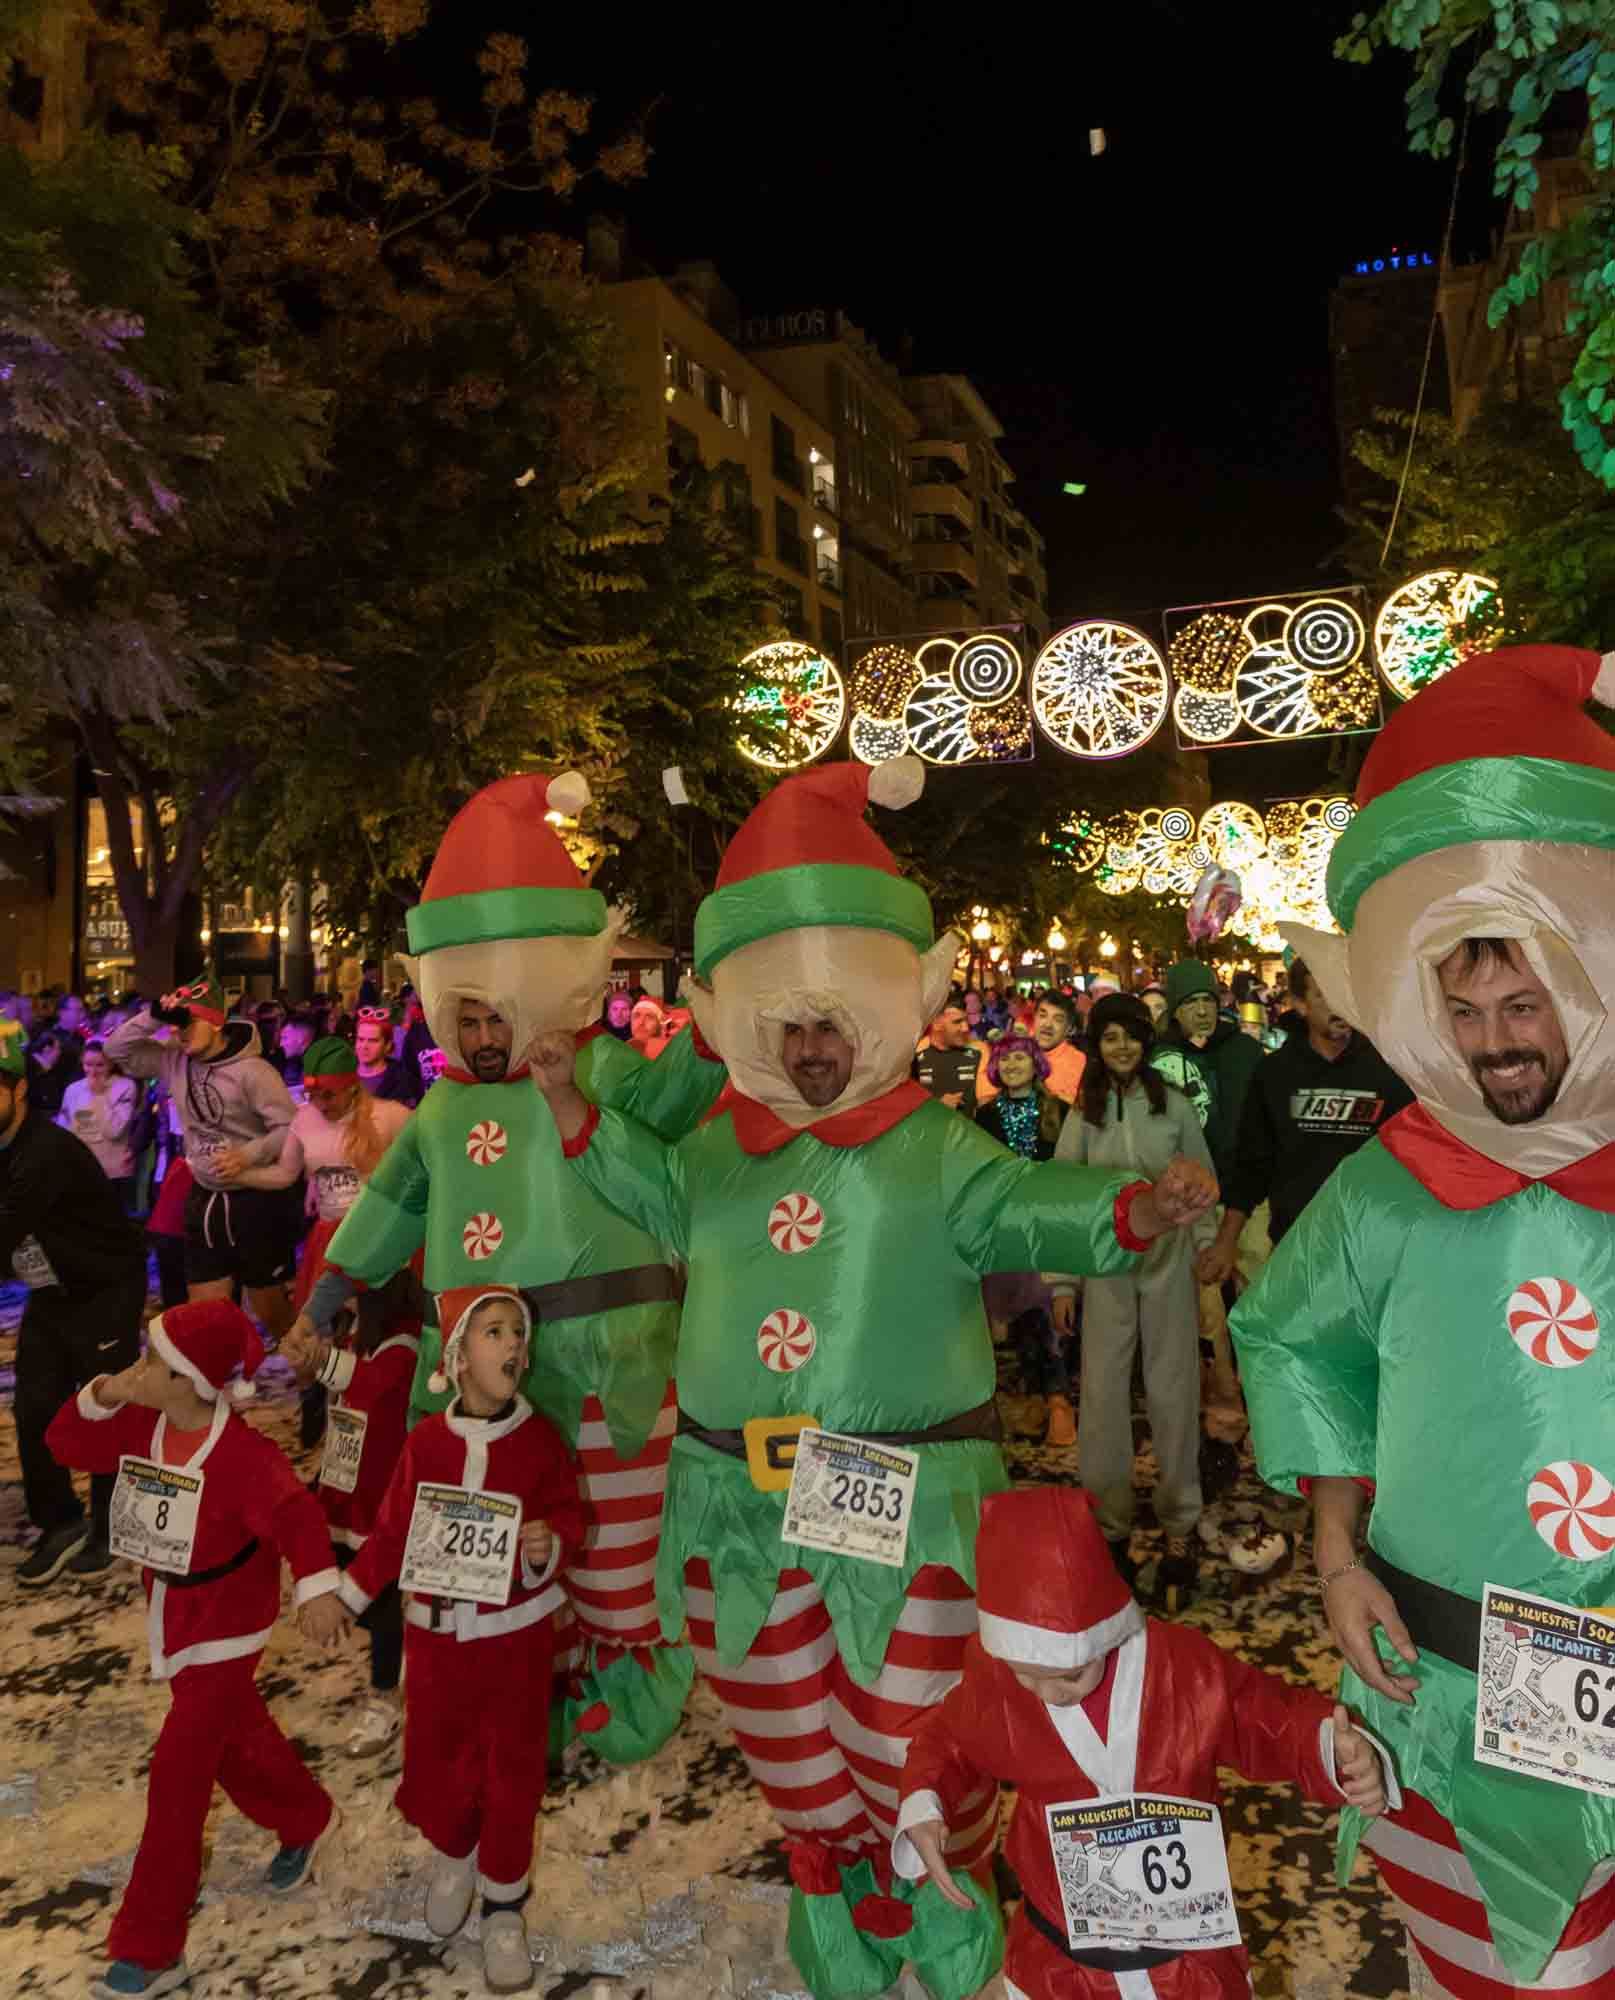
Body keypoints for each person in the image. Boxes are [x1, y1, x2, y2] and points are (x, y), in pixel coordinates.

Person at [530, 757, 1218, 2000]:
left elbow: (1028, 1209)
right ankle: (834, 1893)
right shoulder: (711, 1152)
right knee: (786, 1732)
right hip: (734, 1508)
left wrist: (1134, 1203)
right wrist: (567, 1100)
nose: (807, 1049)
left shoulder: (932, 1143)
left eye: (829, 1024)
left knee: (912, 1732)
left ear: (881, 1012)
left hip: (905, 1506)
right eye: (785, 1026)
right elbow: (638, 1177)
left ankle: (937, 1897)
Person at [1233, 643, 1615, 1998]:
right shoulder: (1378, 1192)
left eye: (1520, 1005)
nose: (1493, 1041)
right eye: (1459, 1013)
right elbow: (1286, 1340)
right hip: (1438, 1686)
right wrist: (1333, 1556)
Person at [296, 771, 725, 1765]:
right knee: (497, 1531)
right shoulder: (440, 1108)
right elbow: (395, 1201)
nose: (487, 1037)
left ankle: (631, 1684)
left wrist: (718, 1014)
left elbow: (675, 1094)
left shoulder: (598, 1066)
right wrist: (330, 1291)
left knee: (613, 1544)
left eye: (501, 1015)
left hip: (609, 1357)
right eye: (470, 1017)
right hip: (476, 1371)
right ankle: (529, 1676)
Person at [892, 1486, 1392, 2000]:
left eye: (1069, 1674)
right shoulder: (999, 1683)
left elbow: (1267, 1719)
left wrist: (1333, 1748)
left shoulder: (1184, 1670)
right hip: (1059, 1955)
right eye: (1027, 1675)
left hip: (1187, 1952)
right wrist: (925, 1802)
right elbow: (949, 1738)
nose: (1049, 1695)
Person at [44, 1298, 345, 1999]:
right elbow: (65, 1444)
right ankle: (306, 1815)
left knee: (179, 1773)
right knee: (234, 1739)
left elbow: (296, 1515)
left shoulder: (244, 1456)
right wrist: (104, 1392)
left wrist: (318, 1586)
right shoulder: (142, 1425)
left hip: (229, 1624)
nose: (137, 1368)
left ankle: (151, 1945)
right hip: (172, 1612)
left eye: (152, 1362)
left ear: (189, 1381)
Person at [333, 1285, 585, 1995]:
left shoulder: (538, 1441)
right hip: (438, 1645)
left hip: (513, 1643)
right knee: (438, 1757)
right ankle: (454, 1854)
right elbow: (391, 1533)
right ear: (457, 1356)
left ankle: (504, 1904)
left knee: (511, 1773)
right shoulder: (426, 1442)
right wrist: (347, 1595)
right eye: (494, 1332)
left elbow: (568, 1517)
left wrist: (547, 1542)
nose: (512, 1346)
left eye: (517, 1334)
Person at [1052, 993, 1217, 1608]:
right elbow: (1063, 1200)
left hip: (1168, 1260)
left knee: (1175, 1390)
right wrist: (1063, 1283)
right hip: (1104, 1263)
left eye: (1131, 1037)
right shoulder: (1084, 1112)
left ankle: (1179, 1528)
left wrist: (1206, 1248)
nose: (1120, 1048)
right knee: (1101, 1395)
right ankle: (1110, 1530)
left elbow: (1202, 1180)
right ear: (1096, 1045)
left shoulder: (1171, 1106)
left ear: (1147, 1041)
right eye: (1109, 1037)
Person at [1, 1020, 148, 1585]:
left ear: (17, 1090)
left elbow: (4, 1232)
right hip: (52, 1290)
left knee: (101, 1404)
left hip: (105, 1288)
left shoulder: (45, 1153)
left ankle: (111, 1527)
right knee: (35, 1407)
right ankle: (59, 1521)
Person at [105, 976, 300, 1344]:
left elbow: (291, 1127)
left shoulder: (254, 1071)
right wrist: (154, 1016)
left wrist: (248, 1154)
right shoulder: (173, 1061)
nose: (180, 1034)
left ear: (215, 1021)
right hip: (204, 1197)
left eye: (187, 1024)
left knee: (271, 1310)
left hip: (254, 1200)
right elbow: (116, 1050)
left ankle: (314, 1377)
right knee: (205, 1314)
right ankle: (214, 1393)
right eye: (175, 1026)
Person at [1196, 956, 1413, 1287]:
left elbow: (1413, 1159)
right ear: (1299, 1004)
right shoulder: (1275, 1074)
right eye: (1324, 994)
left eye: (1344, 992)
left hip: (1372, 1246)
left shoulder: (1388, 1071)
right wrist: (1226, 1241)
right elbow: (1253, 1165)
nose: (1338, 1004)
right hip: (1296, 1245)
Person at [975, 1033, 1077, 1447]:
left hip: (1048, 1220)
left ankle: (1057, 1399)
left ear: (1036, 1062)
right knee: (1017, 1310)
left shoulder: (1059, 1110)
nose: (1013, 1064)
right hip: (1004, 1223)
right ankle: (1028, 1398)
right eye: (1005, 1058)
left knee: (1050, 1304)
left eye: (1020, 1057)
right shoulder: (983, 1115)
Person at [57, 1039, 141, 1207]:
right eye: (88, 1065)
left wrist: (101, 1096)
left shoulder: (126, 1086)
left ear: (111, 1064)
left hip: (112, 1171)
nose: (93, 1071)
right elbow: (64, 1129)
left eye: (99, 1065)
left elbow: (114, 1131)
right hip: (80, 1168)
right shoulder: (73, 1089)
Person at [978, 989, 1086, 1110]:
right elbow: (985, 1101)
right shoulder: (1011, 1049)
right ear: (1034, 1018)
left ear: (1070, 1029)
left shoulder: (1079, 1063)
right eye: (1043, 1015)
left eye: (1058, 1019)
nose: (1048, 1024)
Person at [913, 995, 987, 1114]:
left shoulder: (979, 1050)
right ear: (936, 1023)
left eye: (966, 1020)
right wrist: (937, 1107)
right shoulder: (915, 1054)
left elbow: (987, 1103)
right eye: (957, 1022)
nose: (965, 1028)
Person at [354, 1004, 419, 1105]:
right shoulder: (343, 1074)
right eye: (360, 1039)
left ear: (387, 1045)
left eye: (373, 1041)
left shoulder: (404, 1081)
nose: (364, 1046)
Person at [27, 1027, 81, 1118]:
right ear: (47, 1049)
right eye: (58, 1048)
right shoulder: (33, 1072)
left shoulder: (46, 1071)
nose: (59, 1053)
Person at [628, 996, 669, 1061]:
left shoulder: (669, 1053)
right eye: (637, 1016)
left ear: (661, 1025)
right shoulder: (622, 1049)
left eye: (649, 1017)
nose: (641, 1022)